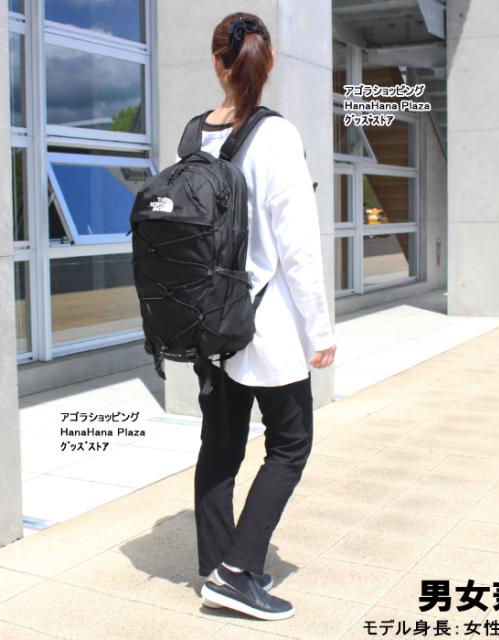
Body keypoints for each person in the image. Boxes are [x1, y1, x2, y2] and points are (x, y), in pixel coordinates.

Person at [191, 12, 336, 621]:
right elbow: (297, 247)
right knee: (290, 445)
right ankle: (235, 573)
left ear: (217, 62)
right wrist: (320, 329)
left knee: (221, 447)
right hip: (266, 324)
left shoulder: (194, 135)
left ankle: (215, 565)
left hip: (209, 322)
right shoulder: (275, 135)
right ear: (267, 61)